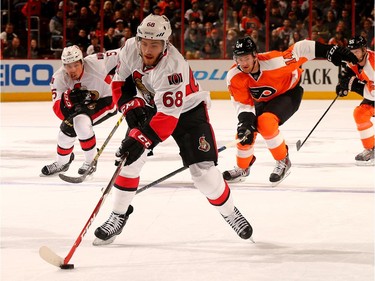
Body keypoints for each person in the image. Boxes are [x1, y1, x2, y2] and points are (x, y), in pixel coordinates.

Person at [93, 14, 253, 246]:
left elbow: (167, 119)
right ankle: (118, 214)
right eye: (144, 43)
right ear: (138, 39)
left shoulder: (173, 67)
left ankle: (230, 213)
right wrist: (129, 108)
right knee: (129, 160)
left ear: (165, 44)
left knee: (204, 176)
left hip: (188, 111)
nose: (148, 50)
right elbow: (120, 83)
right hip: (152, 104)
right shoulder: (129, 47)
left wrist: (141, 140)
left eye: (155, 45)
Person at [222, 36, 358, 184]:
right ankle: (242, 168)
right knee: (244, 133)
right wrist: (245, 124)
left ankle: (283, 161)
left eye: (246, 58)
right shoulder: (234, 76)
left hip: (289, 93)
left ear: (255, 55)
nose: (243, 63)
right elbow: (243, 104)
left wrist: (329, 50)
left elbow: (302, 48)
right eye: (239, 59)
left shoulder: (275, 62)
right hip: (263, 101)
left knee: (266, 123)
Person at [41, 45, 120, 176]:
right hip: (83, 108)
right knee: (65, 129)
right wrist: (68, 101)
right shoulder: (59, 78)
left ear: (82, 62)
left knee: (80, 122)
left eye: (76, 65)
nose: (72, 70)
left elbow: (126, 52)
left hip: (108, 100)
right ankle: (62, 163)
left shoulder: (97, 62)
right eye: (68, 66)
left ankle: (90, 161)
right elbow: (58, 109)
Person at [336, 35, 374, 165]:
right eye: (351, 52)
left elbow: (373, 94)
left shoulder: (373, 65)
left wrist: (352, 85)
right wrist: (342, 85)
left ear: (364, 50)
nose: (354, 55)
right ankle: (371, 148)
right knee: (360, 113)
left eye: (357, 51)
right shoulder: (352, 60)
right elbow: (348, 73)